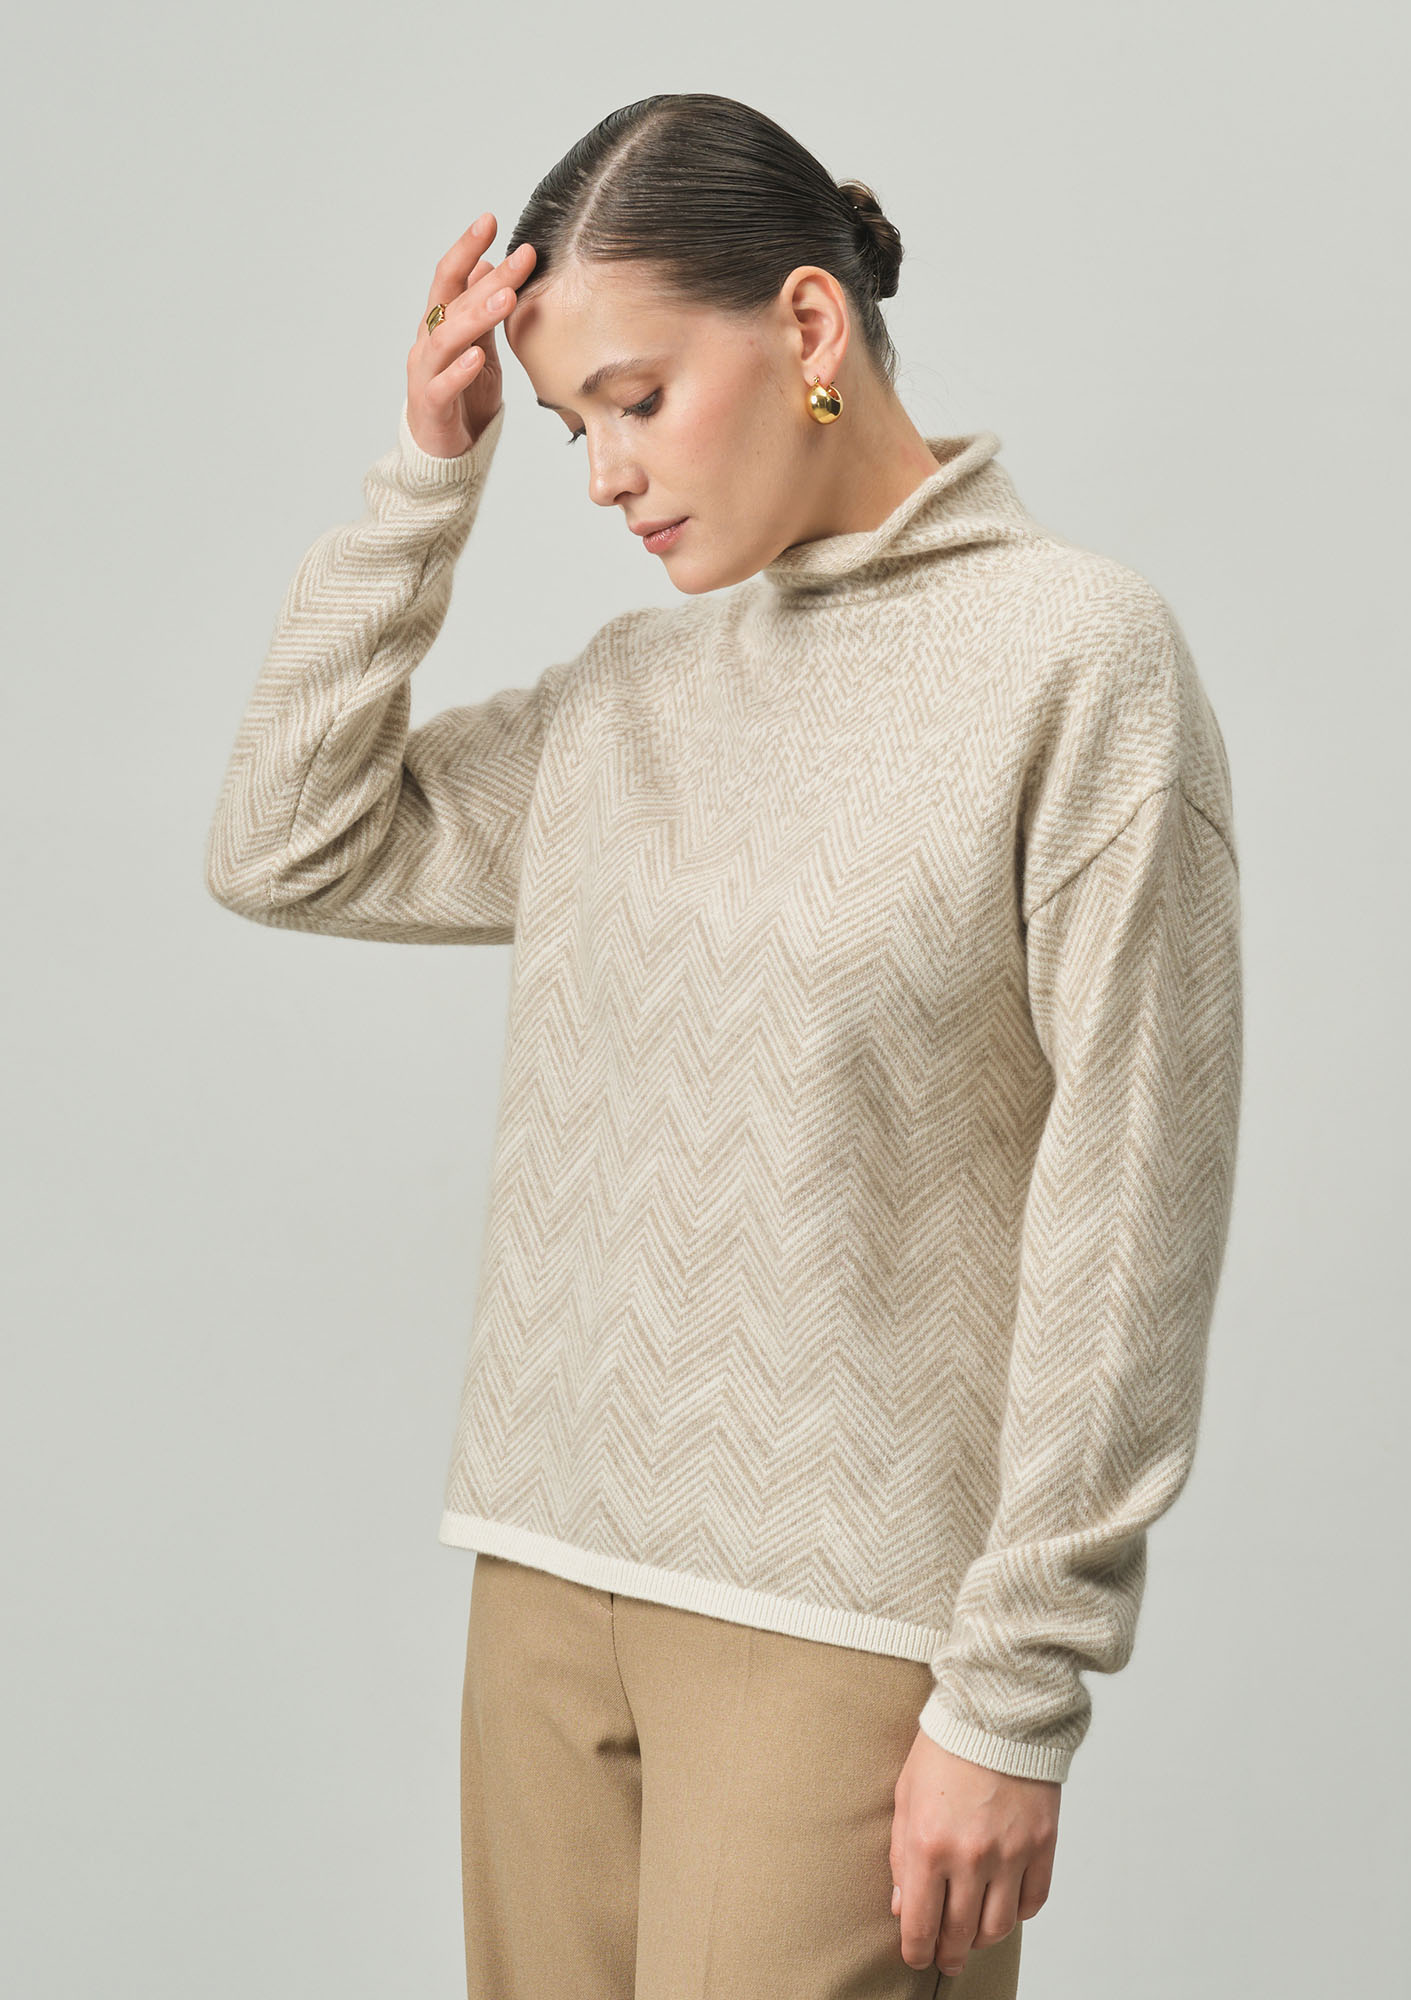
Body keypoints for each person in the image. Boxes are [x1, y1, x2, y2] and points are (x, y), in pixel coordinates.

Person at [204, 91, 1243, 2000]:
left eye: (636, 398)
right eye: (570, 425)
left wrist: (1014, 1692)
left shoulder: (1076, 660)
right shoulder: (632, 696)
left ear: (809, 328)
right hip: (544, 1581)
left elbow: (1132, 1196)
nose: (602, 474)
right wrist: (426, 483)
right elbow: (285, 842)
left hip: (847, 1626)